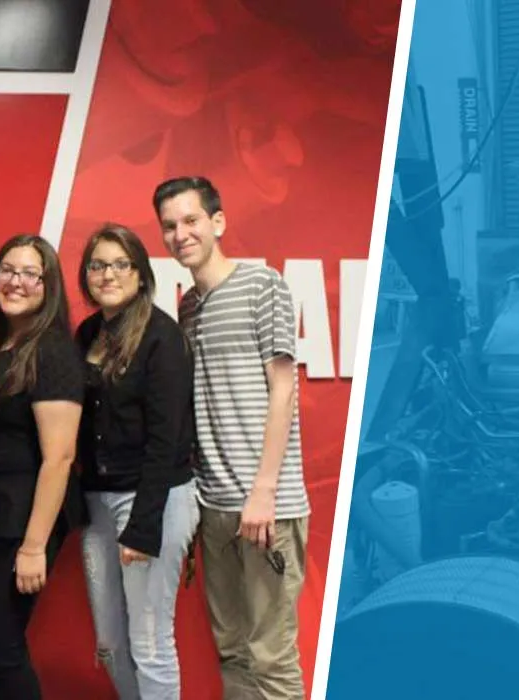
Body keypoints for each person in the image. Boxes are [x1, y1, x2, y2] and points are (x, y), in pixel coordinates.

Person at [159, 176, 308, 700]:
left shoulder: (262, 284)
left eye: (191, 220)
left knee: (271, 656)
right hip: (216, 506)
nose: (181, 234)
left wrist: (263, 491)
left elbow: (283, 388)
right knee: (234, 652)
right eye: (170, 226)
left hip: (266, 503)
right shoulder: (189, 309)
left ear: (217, 222)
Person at [73, 224, 199, 700]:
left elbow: (167, 440)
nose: (108, 274)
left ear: (141, 273)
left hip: (154, 499)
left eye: (119, 264)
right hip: (99, 503)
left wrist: (144, 524)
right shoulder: (87, 334)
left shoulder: (161, 337)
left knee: (150, 642)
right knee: (109, 642)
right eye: (98, 264)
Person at [0, 234, 85, 700]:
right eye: (6, 270)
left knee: (2, 645)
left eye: (29, 273)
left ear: (48, 284)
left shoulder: (51, 352)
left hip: (20, 520)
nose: (15, 282)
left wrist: (34, 547)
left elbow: (60, 457)